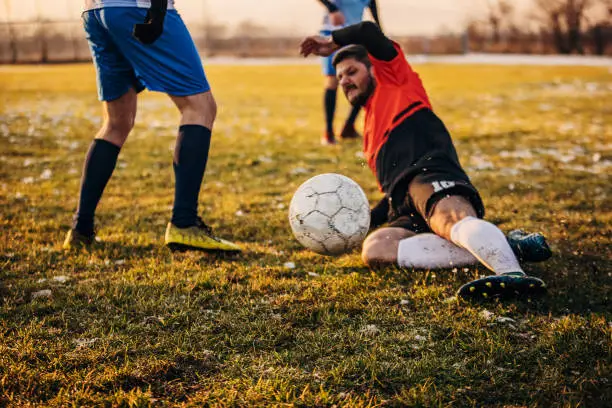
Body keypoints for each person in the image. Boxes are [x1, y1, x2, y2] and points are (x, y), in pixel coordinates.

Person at [300, 22, 551, 300]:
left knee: (449, 219)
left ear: (373, 68)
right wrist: (359, 223)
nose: (344, 80)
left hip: (429, 173)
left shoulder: (395, 80)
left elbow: (368, 31)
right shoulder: (370, 130)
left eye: (351, 71)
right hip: (405, 204)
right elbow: (392, 192)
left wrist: (332, 40)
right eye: (339, 76)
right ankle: (506, 246)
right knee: (376, 248)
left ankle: (512, 273)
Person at [64, 0, 240, 253]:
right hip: (140, 7)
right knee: (200, 107)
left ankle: (80, 229)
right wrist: (157, 12)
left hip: (95, 10)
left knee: (116, 122)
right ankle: (184, 223)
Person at [316, 0, 381, 145]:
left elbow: (372, 3)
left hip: (355, 34)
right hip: (332, 33)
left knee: (365, 81)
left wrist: (379, 29)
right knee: (333, 81)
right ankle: (328, 132)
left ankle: (349, 127)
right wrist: (332, 8)